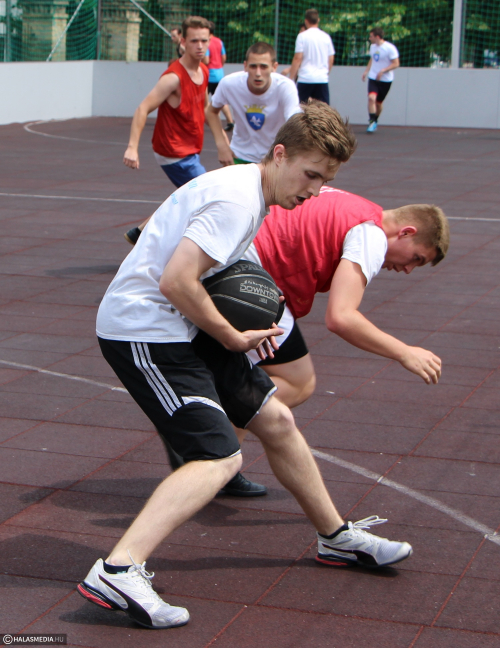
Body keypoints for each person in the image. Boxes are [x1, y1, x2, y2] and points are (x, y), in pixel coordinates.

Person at [77, 104, 410, 633]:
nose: (315, 190)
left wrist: (260, 313)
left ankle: (336, 538)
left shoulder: (252, 192)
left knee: (276, 419)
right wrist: (232, 336)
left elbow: (221, 264)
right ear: (279, 155)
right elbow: (176, 281)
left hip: (187, 324)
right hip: (146, 330)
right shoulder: (237, 200)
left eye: (325, 181)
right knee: (218, 457)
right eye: (310, 175)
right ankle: (118, 570)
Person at [240, 187, 448, 410]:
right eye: (416, 258)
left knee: (242, 368)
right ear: (406, 232)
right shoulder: (372, 235)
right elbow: (341, 318)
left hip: (233, 246)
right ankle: (219, 417)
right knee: (298, 383)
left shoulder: (353, 205)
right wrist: (405, 353)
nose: (408, 269)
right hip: (247, 275)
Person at [122, 16, 210, 245]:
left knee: (188, 196)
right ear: (183, 42)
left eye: (204, 40)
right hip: (174, 152)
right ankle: (161, 241)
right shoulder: (173, 78)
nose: (200, 46)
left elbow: (205, 108)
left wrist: (222, 141)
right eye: (194, 41)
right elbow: (142, 109)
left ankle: (141, 232)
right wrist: (132, 147)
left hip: (191, 150)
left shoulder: (204, 71)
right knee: (206, 193)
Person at [205, 42, 301, 166]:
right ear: (245, 66)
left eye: (264, 67)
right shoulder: (229, 84)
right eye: (253, 66)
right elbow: (211, 111)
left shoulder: (285, 87)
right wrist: (222, 145)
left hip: (273, 159)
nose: (258, 73)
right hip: (240, 156)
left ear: (274, 67)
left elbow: (294, 121)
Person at [288, 8, 335, 104]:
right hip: (321, 79)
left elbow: (297, 58)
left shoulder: (302, 36)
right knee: (323, 110)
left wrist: (291, 78)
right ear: (318, 20)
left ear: (306, 21)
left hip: (305, 78)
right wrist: (325, 73)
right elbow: (331, 59)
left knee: (300, 108)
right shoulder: (326, 37)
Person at [362, 27, 400, 133]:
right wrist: (366, 71)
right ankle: (371, 121)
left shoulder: (390, 48)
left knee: (378, 103)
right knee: (371, 98)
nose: (369, 38)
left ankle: (375, 120)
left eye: (371, 36)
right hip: (373, 77)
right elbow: (372, 59)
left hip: (385, 80)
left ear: (377, 37)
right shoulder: (372, 47)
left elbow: (396, 64)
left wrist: (383, 71)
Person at [203, 21, 234, 132]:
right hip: (219, 74)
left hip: (209, 75)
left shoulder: (207, 43)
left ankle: (212, 123)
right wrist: (219, 66)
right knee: (221, 100)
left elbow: (206, 60)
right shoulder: (219, 41)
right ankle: (230, 121)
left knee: (203, 101)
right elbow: (224, 57)